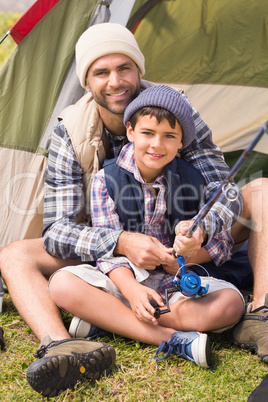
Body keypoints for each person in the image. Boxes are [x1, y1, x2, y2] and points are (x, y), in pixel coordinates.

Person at [0, 22, 267, 396]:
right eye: (101, 72)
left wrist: (203, 229)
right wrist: (121, 242)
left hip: (178, 247)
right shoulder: (69, 132)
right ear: (87, 82)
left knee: (263, 191)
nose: (115, 81)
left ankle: (259, 313)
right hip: (106, 251)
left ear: (139, 69)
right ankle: (63, 345)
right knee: (13, 256)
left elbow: (221, 188)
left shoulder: (174, 111)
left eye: (124, 68)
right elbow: (58, 230)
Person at [48, 84, 245, 369]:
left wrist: (193, 247)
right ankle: (174, 338)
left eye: (169, 136)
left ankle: (111, 319)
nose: (156, 144)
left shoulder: (194, 179)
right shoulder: (106, 179)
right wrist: (132, 291)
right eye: (148, 133)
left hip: (175, 287)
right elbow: (107, 250)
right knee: (62, 284)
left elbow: (223, 244)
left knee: (231, 304)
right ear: (130, 131)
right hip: (124, 281)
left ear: (181, 143)